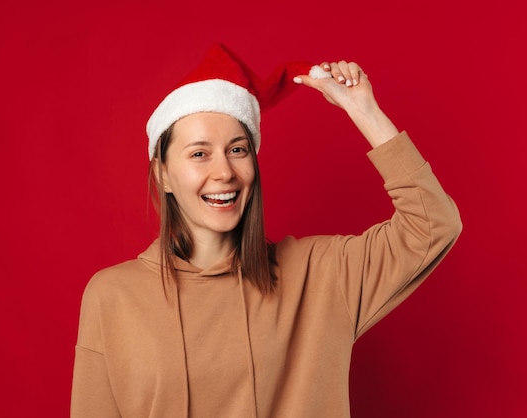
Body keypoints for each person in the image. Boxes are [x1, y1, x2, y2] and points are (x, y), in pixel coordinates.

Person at [70, 43, 462, 418]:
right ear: (163, 174)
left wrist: (365, 111)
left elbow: (432, 225)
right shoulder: (112, 296)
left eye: (238, 150)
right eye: (199, 154)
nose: (224, 172)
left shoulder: (320, 276)